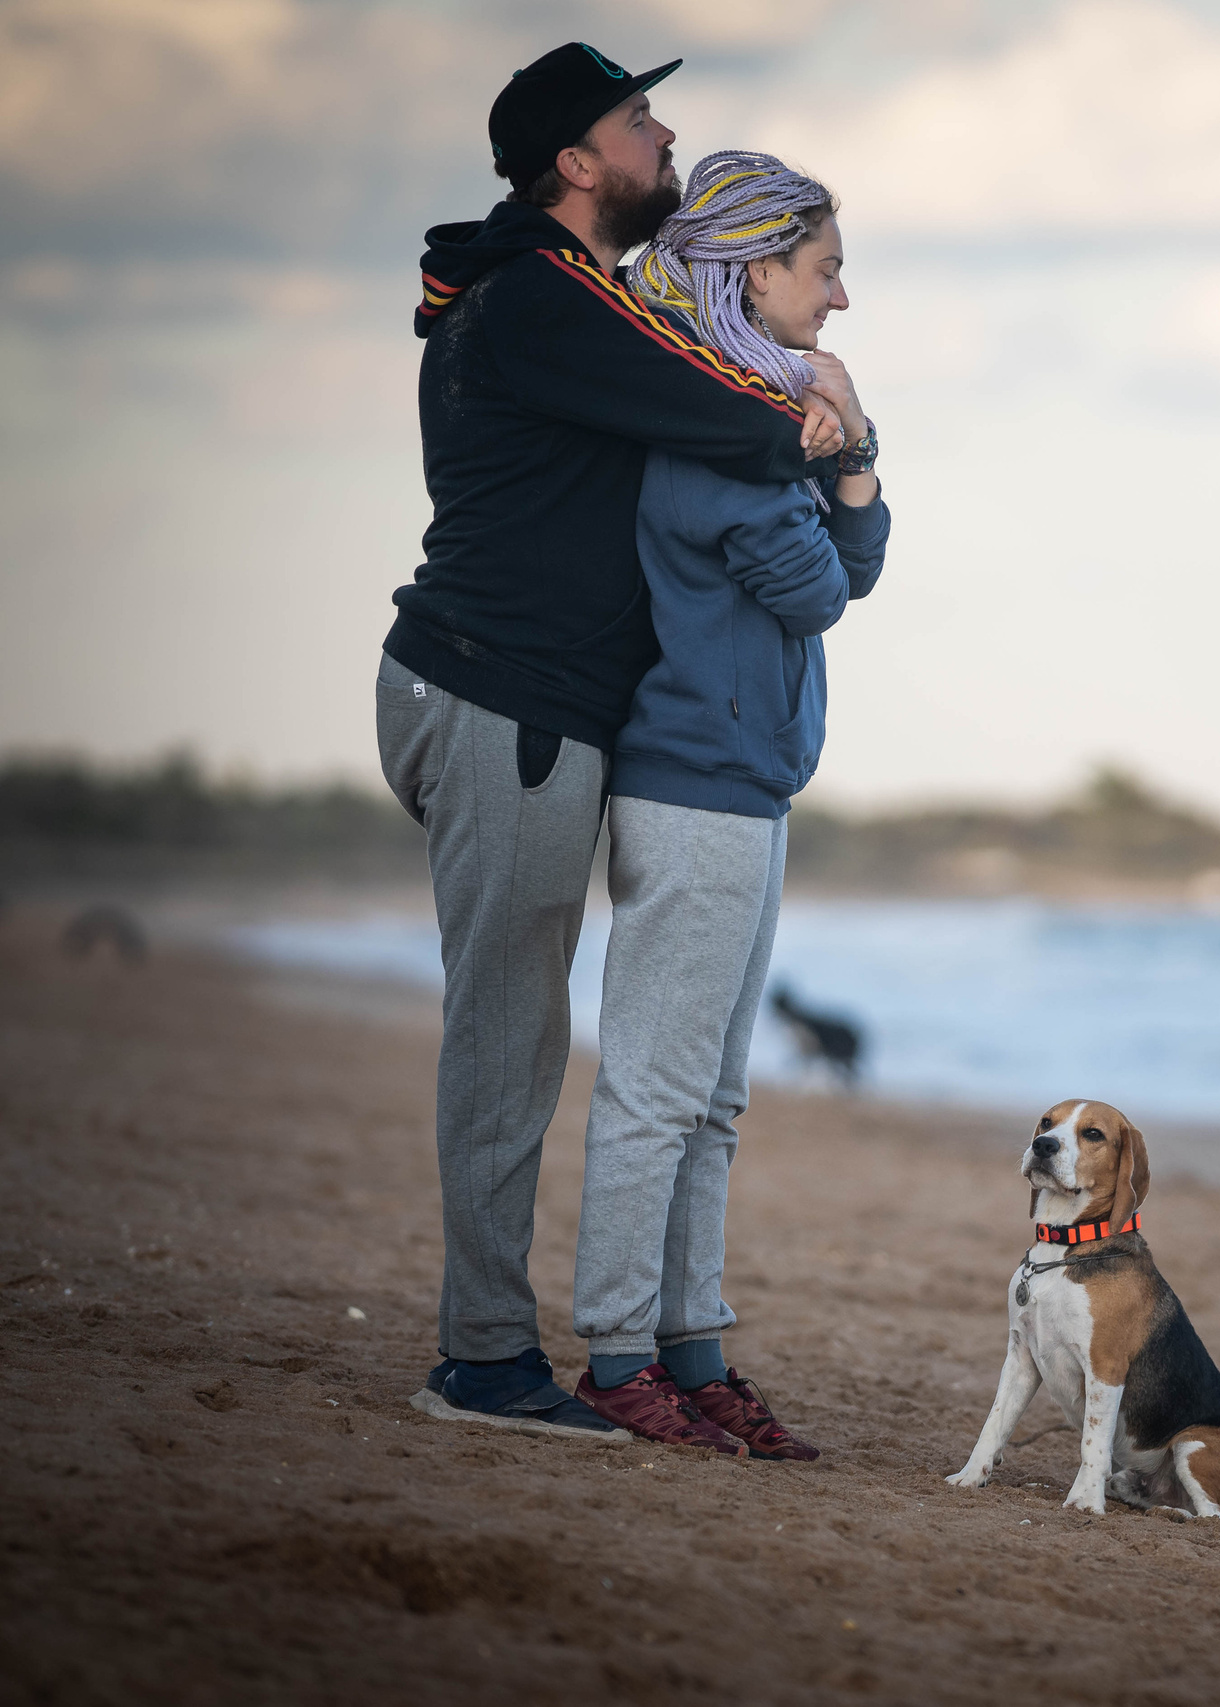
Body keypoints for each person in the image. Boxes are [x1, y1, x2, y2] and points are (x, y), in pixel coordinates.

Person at [378, 44, 854, 1442]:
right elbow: (717, 409)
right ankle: (481, 1364)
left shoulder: (554, 295)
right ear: (576, 164)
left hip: (510, 700)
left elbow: (701, 389)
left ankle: (536, 1349)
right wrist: (824, 412)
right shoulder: (538, 298)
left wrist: (803, 417)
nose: (664, 137)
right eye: (637, 121)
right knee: (513, 1036)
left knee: (524, 1030)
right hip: (496, 695)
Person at [563, 152, 889, 1457]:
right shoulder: (713, 424)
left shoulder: (758, 417)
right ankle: (617, 1362)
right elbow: (817, 591)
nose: (844, 298)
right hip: (691, 781)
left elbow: (852, 559)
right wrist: (825, 449)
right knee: (655, 1090)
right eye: (825, 269)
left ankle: (692, 1358)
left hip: (744, 785)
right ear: (755, 269)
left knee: (713, 1097)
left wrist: (847, 445)